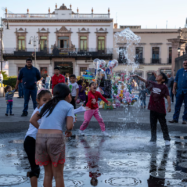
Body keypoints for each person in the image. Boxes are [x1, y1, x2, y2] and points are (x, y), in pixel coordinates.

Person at [30, 83, 74, 187]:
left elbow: (32, 120)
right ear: (68, 95)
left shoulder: (46, 104)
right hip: (55, 139)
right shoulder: (69, 106)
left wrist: (42, 130)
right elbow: (69, 126)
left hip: (40, 138)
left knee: (48, 173)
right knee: (58, 174)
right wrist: (69, 128)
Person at [131, 72, 171, 146]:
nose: (157, 76)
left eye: (159, 76)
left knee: (163, 124)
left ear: (163, 79)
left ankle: (167, 139)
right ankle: (153, 139)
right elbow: (145, 81)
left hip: (161, 109)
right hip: (152, 108)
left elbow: (168, 96)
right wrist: (137, 76)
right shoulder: (153, 84)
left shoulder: (164, 87)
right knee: (153, 125)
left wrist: (169, 106)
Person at [24, 89, 52, 187]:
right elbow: (32, 121)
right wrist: (42, 130)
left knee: (47, 167)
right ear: (38, 100)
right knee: (35, 168)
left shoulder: (46, 110)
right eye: (44, 100)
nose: (47, 102)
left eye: (50, 100)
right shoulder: (39, 111)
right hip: (30, 141)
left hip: (39, 141)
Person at [169, 59, 187, 124]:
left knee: (186, 106)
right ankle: (175, 119)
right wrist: (173, 89)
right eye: (184, 63)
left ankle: (184, 119)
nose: (185, 64)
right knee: (177, 105)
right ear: (183, 64)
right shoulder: (179, 71)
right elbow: (175, 80)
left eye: (186, 63)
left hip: (186, 92)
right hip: (179, 91)